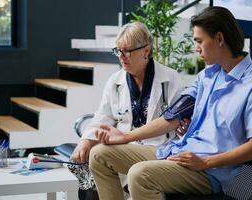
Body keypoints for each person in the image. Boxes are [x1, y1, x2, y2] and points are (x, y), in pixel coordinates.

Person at [89, 6, 252, 200]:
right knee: (100, 155)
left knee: (139, 175)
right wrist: (125, 137)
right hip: (181, 152)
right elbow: (172, 117)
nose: (196, 48)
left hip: (210, 172)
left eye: (199, 41)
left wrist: (206, 162)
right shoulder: (206, 77)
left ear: (219, 39)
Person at [69, 22, 183, 199]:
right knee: (95, 153)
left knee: (100, 154)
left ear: (146, 51)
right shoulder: (115, 81)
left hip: (159, 148)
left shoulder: (170, 79)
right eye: (118, 51)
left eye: (127, 51)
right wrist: (85, 140)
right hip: (126, 149)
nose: (121, 57)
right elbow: (103, 116)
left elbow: (178, 122)